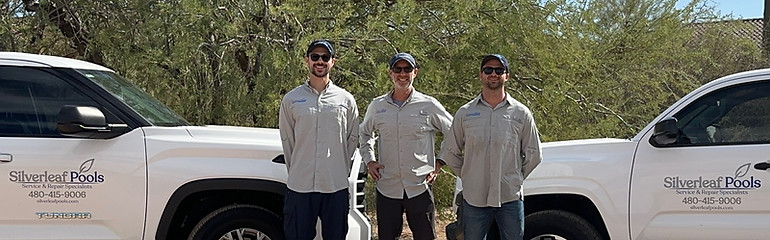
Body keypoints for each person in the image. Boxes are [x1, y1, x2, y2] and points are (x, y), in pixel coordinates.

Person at [437, 54, 542, 240]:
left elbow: (534, 154)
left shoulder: (521, 113)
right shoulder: (465, 113)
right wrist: (469, 175)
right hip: (474, 199)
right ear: (481, 75)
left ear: (506, 76)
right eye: (488, 70)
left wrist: (515, 178)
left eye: (499, 70)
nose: (493, 74)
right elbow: (450, 151)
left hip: (509, 197)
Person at [360, 52, 453, 240]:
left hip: (420, 185)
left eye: (407, 69)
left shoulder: (429, 105)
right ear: (390, 73)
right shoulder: (377, 106)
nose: (402, 74)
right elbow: (364, 133)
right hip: (387, 186)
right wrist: (369, 161)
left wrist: (440, 163)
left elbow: (454, 133)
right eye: (398, 69)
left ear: (415, 72)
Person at [278, 40, 359, 240]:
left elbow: (352, 140)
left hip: (335, 186)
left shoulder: (346, 100)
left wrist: (339, 168)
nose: (320, 61)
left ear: (333, 62)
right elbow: (288, 141)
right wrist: (298, 169)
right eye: (315, 57)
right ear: (307, 61)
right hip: (300, 186)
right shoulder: (291, 99)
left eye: (325, 57)